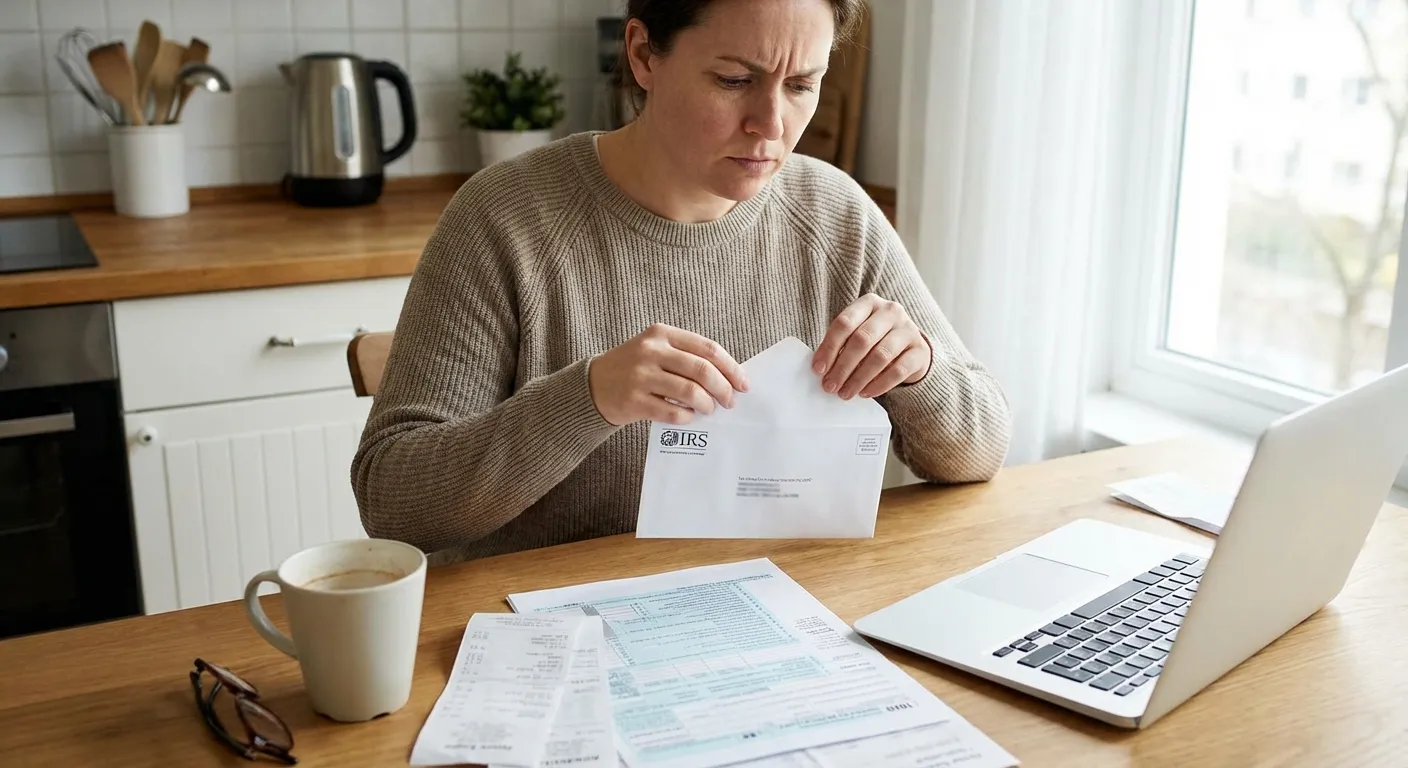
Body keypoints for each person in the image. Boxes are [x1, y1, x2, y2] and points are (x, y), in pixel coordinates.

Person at [351, 0, 1012, 565]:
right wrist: (587, 399)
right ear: (643, 55)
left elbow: (981, 449)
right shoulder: (504, 217)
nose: (772, 126)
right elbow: (393, 502)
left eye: (802, 85)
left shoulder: (835, 215)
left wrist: (920, 370)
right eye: (733, 80)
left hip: (784, 621)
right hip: (550, 641)